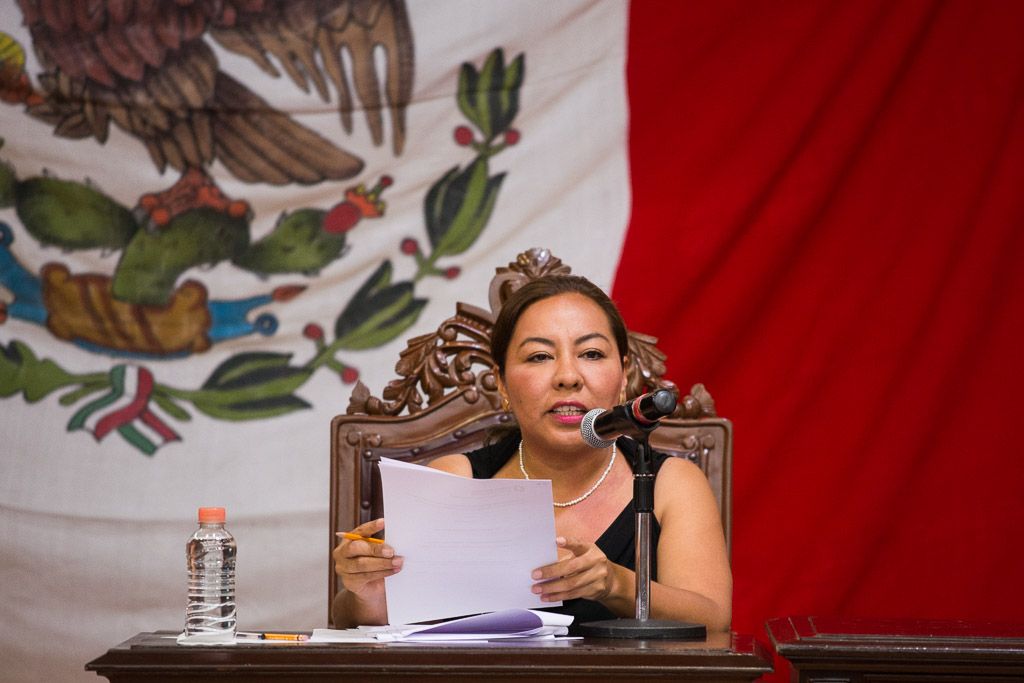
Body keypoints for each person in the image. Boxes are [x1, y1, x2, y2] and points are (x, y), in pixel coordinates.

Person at [332, 274, 732, 632]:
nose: (568, 377)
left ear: (624, 375)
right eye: (540, 356)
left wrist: (615, 584)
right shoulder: (455, 479)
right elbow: (368, 619)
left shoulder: (669, 482)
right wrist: (366, 594)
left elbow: (713, 621)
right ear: (502, 383)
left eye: (591, 354)